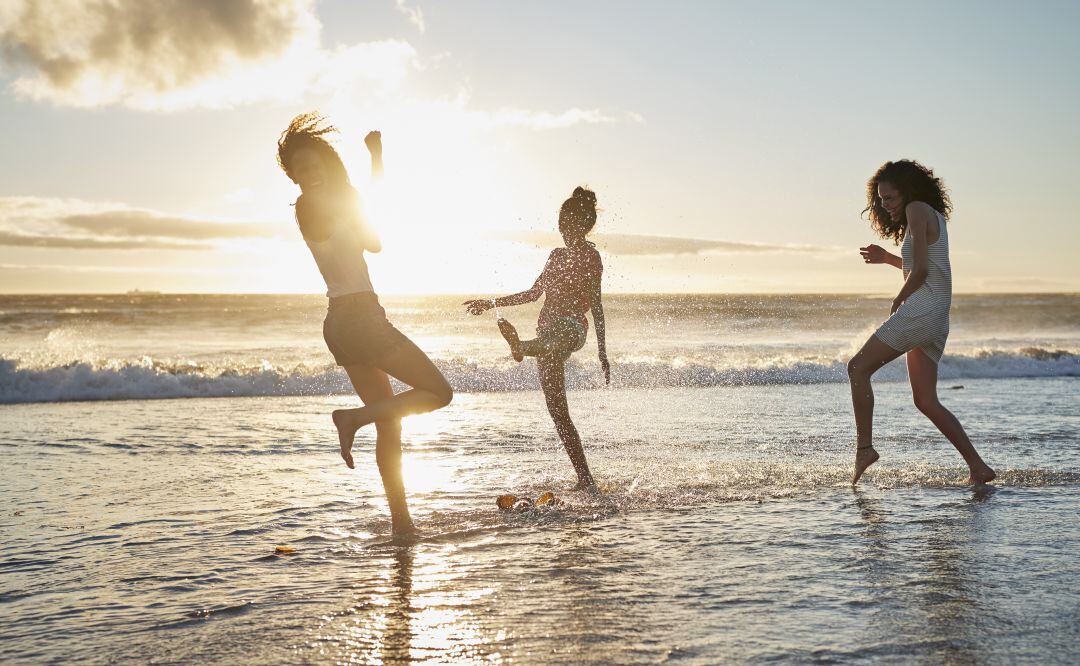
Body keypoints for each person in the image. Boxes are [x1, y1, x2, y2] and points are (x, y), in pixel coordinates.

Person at [277, 113, 453, 535]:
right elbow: (362, 227)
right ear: (295, 179)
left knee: (389, 422)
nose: (309, 174)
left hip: (344, 322)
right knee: (439, 392)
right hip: (358, 319)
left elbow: (374, 240)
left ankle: (401, 524)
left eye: (314, 164)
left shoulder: (341, 198)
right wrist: (360, 181)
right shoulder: (308, 206)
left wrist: (376, 160)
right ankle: (353, 418)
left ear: (326, 163)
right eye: (301, 171)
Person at [848, 159, 995, 485]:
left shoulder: (916, 208)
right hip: (938, 318)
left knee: (857, 368)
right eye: (881, 200)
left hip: (922, 310)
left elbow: (922, 273)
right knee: (926, 400)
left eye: (890, 198)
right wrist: (887, 258)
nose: (885, 206)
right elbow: (920, 264)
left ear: (908, 191)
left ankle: (865, 449)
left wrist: (899, 298)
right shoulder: (933, 215)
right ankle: (978, 467)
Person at [465, 187, 609, 490]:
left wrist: (602, 353)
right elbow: (533, 294)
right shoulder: (555, 256)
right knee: (559, 413)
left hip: (572, 329)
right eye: (561, 224)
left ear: (583, 226)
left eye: (569, 224)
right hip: (546, 335)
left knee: (559, 334)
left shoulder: (591, 257)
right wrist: (491, 303)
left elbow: (596, 305)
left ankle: (521, 347)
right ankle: (586, 479)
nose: (564, 230)